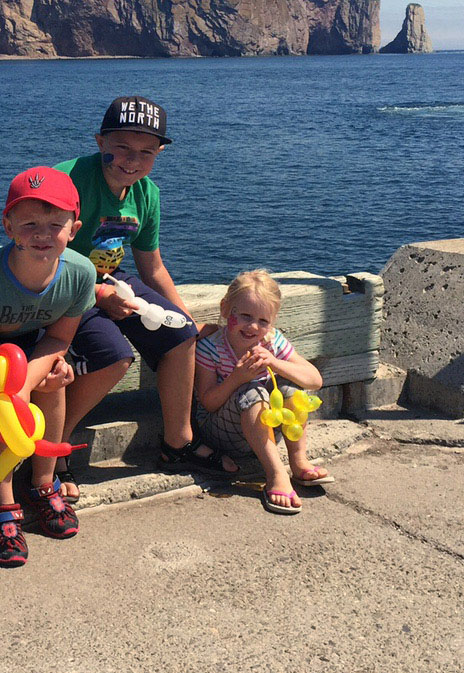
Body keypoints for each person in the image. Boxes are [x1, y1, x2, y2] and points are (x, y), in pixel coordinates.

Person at [54, 96, 235, 503]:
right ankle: (53, 446)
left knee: (180, 335)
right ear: (99, 140)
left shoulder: (147, 193)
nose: (132, 160)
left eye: (146, 152)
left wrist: (186, 321)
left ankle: (178, 443)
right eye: (121, 148)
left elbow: (151, 265)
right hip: (62, 287)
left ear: (159, 153)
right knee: (115, 356)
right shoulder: (66, 181)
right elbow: (39, 257)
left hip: (110, 279)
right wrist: (97, 294)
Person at [0, 166, 96, 567]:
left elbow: (60, 338)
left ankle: (44, 483)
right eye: (28, 223)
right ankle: (1, 502)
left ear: (74, 227)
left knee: (55, 383)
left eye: (55, 224)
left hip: (31, 335)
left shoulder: (81, 273)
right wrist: (17, 389)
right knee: (1, 401)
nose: (42, 234)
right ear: (8, 226)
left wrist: (35, 379)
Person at [193, 269, 330, 515]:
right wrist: (237, 378)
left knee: (292, 388)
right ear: (226, 310)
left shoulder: (272, 342)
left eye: (263, 321)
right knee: (251, 390)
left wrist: (275, 363)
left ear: (272, 322)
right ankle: (276, 473)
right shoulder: (210, 349)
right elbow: (209, 403)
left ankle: (298, 461)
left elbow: (315, 380)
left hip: (264, 431)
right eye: (245, 316)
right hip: (221, 434)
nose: (253, 326)